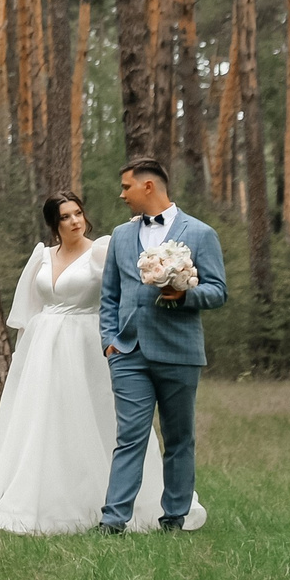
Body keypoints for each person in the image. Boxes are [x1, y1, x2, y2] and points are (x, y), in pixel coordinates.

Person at [0, 188, 206, 535]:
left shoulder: (101, 250)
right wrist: (24, 357)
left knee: (99, 419)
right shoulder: (42, 256)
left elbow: (128, 284)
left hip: (86, 345)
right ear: (54, 223)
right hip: (42, 349)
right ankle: (43, 499)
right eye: (65, 216)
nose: (75, 221)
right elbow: (29, 310)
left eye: (77, 213)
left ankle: (123, 504)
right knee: (44, 421)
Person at [97, 154, 226, 534]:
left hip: (179, 352)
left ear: (148, 186)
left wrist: (185, 294)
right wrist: (110, 342)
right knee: (129, 437)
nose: (122, 195)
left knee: (179, 438)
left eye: (126, 187)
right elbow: (109, 296)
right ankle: (113, 521)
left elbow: (218, 291)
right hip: (128, 352)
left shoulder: (200, 233)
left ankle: (174, 518)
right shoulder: (121, 236)